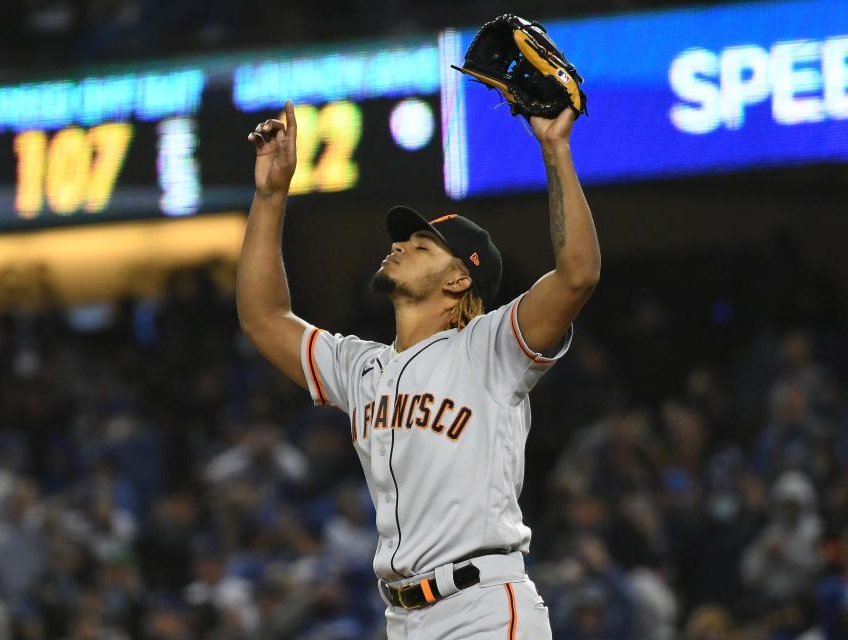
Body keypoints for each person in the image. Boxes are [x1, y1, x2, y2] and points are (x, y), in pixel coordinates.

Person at [236, 99, 600, 638]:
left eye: (422, 244)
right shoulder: (361, 367)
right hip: (403, 618)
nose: (400, 245)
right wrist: (269, 196)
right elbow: (263, 318)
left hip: (482, 607)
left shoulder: (490, 348)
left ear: (459, 281)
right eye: (404, 239)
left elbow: (577, 276)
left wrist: (555, 150)